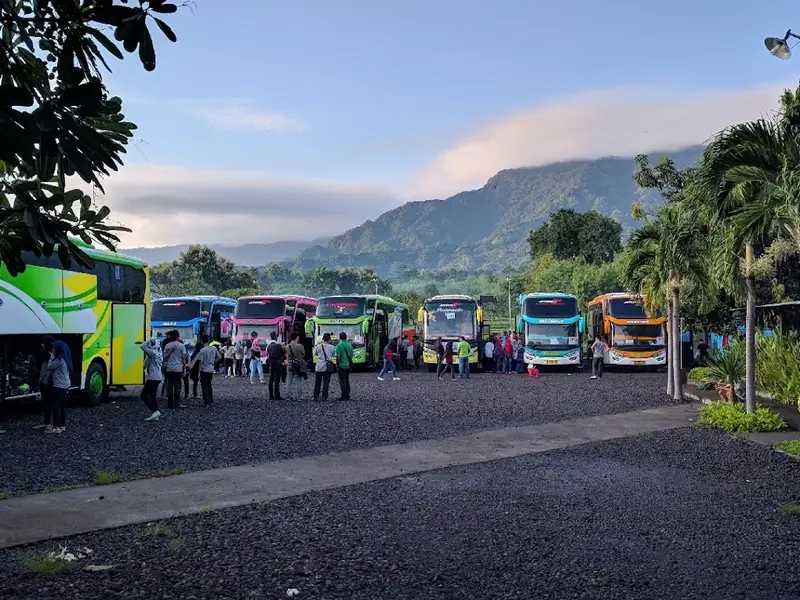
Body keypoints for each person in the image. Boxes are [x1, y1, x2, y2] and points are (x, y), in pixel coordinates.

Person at [46, 341, 72, 433]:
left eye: (54, 348)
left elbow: (49, 367)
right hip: (65, 385)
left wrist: (51, 357)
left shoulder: (59, 360)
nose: (52, 350)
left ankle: (56, 427)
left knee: (56, 406)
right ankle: (62, 425)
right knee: (61, 406)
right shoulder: (66, 358)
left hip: (59, 385)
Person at [191, 335, 221, 406]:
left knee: (204, 386)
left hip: (204, 370)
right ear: (208, 340)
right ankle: (210, 400)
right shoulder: (214, 348)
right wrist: (213, 363)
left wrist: (198, 373)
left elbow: (200, 362)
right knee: (209, 385)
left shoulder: (202, 350)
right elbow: (219, 357)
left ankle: (206, 402)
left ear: (201, 341)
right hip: (211, 369)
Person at [34, 335, 56, 431]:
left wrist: (45, 381)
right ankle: (47, 422)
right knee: (46, 402)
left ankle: (53, 424)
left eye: (43, 342)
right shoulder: (46, 355)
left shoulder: (51, 356)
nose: (41, 344)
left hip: (49, 382)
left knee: (51, 403)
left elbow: (50, 371)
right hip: (45, 382)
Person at [139, 338, 163, 421]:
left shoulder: (153, 353)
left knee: (143, 395)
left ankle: (155, 411)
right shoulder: (159, 352)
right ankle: (155, 414)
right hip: (158, 377)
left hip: (153, 377)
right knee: (152, 396)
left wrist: (149, 340)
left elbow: (142, 346)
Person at [163, 330, 187, 408]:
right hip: (178, 368)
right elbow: (184, 358)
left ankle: (170, 404)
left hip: (169, 368)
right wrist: (184, 369)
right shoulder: (181, 345)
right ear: (178, 336)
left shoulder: (167, 346)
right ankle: (176, 403)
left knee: (170, 385)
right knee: (177, 386)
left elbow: (165, 357)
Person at [313, 332, 336, 401]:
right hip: (327, 366)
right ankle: (324, 396)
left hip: (319, 366)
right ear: (329, 339)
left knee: (317, 382)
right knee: (326, 382)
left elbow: (315, 354)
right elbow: (334, 354)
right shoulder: (332, 347)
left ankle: (316, 396)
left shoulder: (318, 346)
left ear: (323, 339)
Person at [285, 332, 307, 400]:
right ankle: (299, 397)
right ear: (297, 337)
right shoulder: (300, 346)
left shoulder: (287, 346)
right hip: (298, 364)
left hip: (289, 364)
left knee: (289, 381)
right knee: (298, 380)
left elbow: (286, 355)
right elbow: (303, 354)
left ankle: (288, 395)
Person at [335, 331, 354, 401]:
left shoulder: (339, 346)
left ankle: (343, 396)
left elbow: (338, 356)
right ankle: (348, 395)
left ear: (340, 338)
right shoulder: (350, 345)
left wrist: (337, 365)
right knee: (347, 380)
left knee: (342, 381)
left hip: (341, 365)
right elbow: (351, 355)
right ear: (346, 337)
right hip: (348, 365)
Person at [266, 331, 285, 400]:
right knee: (277, 379)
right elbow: (283, 353)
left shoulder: (269, 346)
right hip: (278, 363)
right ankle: (277, 395)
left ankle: (271, 395)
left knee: (271, 379)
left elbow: (267, 354)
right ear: (276, 337)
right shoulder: (279, 345)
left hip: (271, 363)